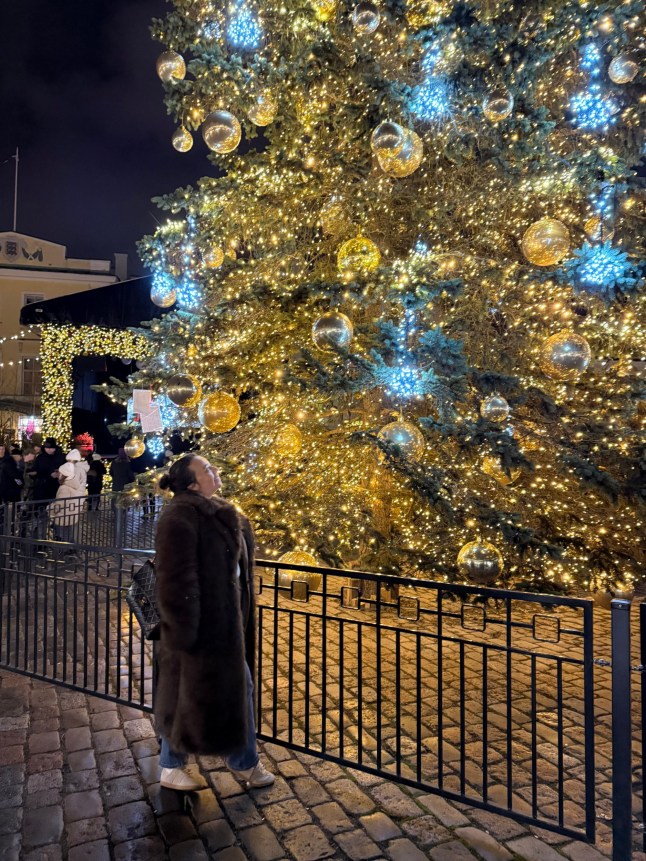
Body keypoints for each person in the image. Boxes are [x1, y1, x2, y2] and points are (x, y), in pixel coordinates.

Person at [154, 454, 274, 792]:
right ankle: (244, 763)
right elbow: (175, 579)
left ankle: (174, 765)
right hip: (201, 628)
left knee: (198, 692)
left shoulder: (213, 508)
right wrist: (185, 633)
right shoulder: (179, 516)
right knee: (219, 689)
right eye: (206, 469)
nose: (214, 470)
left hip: (222, 622)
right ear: (192, 483)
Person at [48, 462, 84, 544]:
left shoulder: (64, 488)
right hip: (71, 515)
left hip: (62, 516)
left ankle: (64, 552)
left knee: (62, 538)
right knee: (69, 536)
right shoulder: (73, 484)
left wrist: (50, 510)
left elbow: (59, 504)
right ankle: (71, 551)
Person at [29, 438, 65, 503]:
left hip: (56, 486)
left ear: (55, 448)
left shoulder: (61, 457)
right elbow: (36, 470)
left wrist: (59, 473)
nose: (48, 450)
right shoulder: (40, 457)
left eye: (51, 448)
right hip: (42, 487)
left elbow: (65, 468)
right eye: (46, 448)